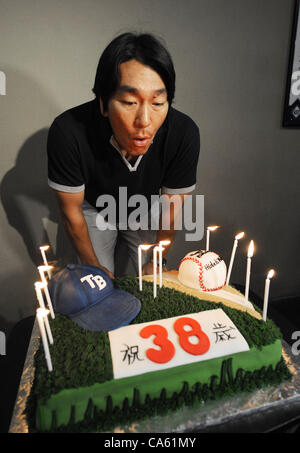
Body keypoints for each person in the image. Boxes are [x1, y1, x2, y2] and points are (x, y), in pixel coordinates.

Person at [47, 32, 200, 279]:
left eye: (158, 103)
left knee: (154, 282)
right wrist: (94, 267)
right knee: (96, 283)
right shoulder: (67, 131)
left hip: (146, 205)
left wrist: (158, 260)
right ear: (103, 103)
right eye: (129, 102)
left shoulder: (184, 132)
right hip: (95, 206)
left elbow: (173, 207)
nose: (145, 121)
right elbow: (71, 212)